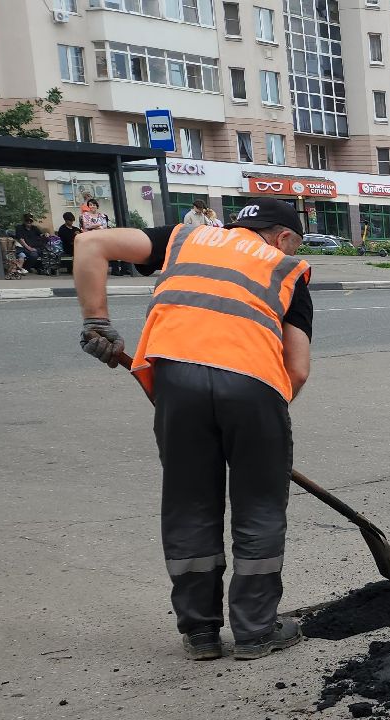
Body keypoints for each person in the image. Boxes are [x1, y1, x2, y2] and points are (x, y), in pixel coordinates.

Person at [72, 197, 316, 661]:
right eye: (295, 243)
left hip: (176, 381)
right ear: (284, 237)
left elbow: (90, 244)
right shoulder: (287, 269)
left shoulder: (184, 238)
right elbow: (297, 369)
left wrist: (96, 322)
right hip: (254, 384)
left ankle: (201, 633)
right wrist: (264, 424)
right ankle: (255, 632)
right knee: (259, 506)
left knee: (189, 504)